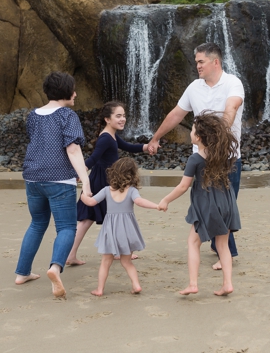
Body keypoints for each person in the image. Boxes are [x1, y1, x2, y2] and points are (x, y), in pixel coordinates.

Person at [146, 42, 245, 258]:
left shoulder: (233, 83)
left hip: (227, 159)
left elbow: (231, 108)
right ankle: (221, 249)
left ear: (215, 62)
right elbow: (176, 114)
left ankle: (225, 252)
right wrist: (155, 138)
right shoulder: (194, 87)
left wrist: (218, 139)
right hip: (201, 159)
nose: (198, 66)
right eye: (196, 62)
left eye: (201, 62)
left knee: (225, 206)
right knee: (207, 204)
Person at [14, 71, 93, 301]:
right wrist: (85, 179)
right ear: (66, 92)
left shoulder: (33, 115)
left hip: (32, 178)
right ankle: (56, 268)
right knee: (67, 227)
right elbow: (73, 149)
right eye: (74, 89)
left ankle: (22, 273)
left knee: (37, 223)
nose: (76, 93)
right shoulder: (67, 115)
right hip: (59, 179)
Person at [157, 114, 240, 297]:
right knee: (223, 245)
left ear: (198, 137)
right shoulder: (223, 154)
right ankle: (227, 284)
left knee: (193, 242)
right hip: (227, 201)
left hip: (207, 204)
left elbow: (183, 186)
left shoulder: (195, 159)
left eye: (192, 130)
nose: (191, 133)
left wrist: (166, 200)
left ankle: (193, 284)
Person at [65, 102, 148, 269]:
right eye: (118, 116)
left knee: (99, 218)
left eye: (124, 115)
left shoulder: (111, 136)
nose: (123, 119)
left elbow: (128, 147)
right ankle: (73, 254)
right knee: (110, 216)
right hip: (102, 181)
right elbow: (93, 158)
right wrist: (80, 174)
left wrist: (146, 147)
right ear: (107, 119)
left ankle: (72, 254)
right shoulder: (105, 138)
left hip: (104, 179)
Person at [85, 156, 160, 298]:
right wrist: (156, 206)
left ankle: (100, 289)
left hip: (110, 230)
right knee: (127, 262)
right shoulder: (131, 191)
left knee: (106, 261)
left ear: (113, 173)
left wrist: (84, 195)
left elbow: (91, 202)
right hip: (127, 231)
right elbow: (140, 202)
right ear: (132, 175)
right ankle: (136, 285)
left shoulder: (107, 190)